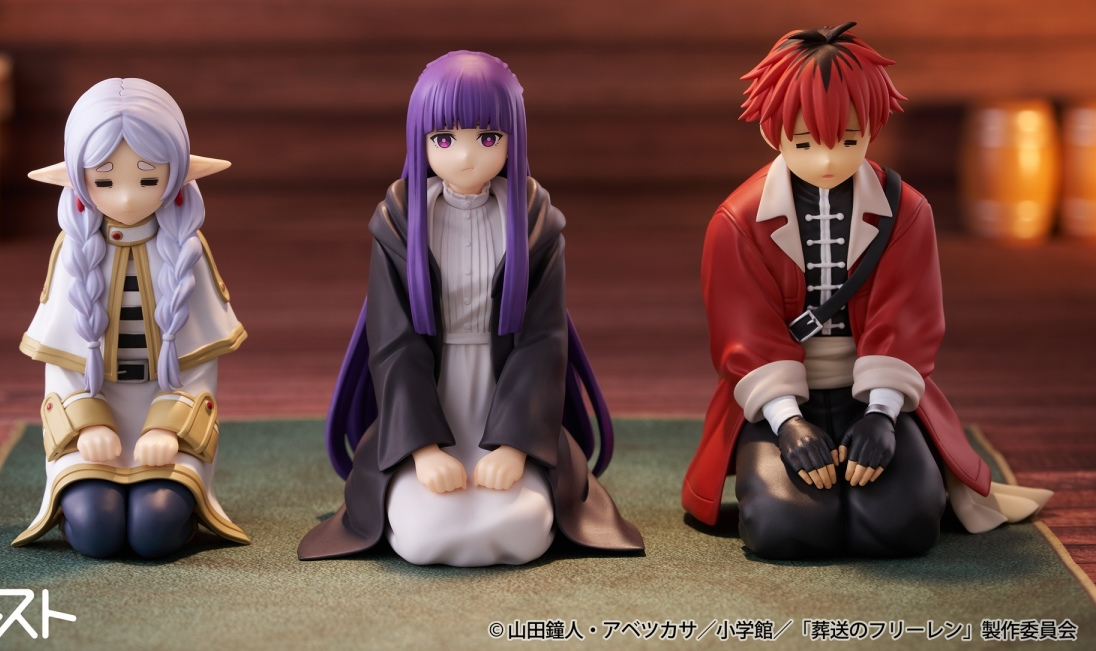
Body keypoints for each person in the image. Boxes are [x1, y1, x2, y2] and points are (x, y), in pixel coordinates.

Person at [681, 23, 1051, 559]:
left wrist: (881, 413)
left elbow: (907, 321)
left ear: (872, 130)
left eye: (849, 140)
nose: (828, 160)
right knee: (787, 529)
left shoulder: (907, 211)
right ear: (770, 132)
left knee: (903, 525)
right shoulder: (737, 220)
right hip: (782, 396)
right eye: (805, 143)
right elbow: (744, 336)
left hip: (872, 389)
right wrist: (787, 422)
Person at [298, 51, 643, 566]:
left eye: (487, 138)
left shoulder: (535, 224)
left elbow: (543, 341)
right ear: (420, 141)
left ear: (512, 139)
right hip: (428, 403)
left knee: (521, 528)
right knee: (425, 534)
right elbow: (393, 344)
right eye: (444, 139)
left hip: (507, 401)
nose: (465, 156)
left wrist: (514, 447)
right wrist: (423, 451)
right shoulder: (398, 225)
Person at [14, 78, 249, 558]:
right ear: (79, 177)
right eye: (104, 181)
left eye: (146, 180)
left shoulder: (186, 251)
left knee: (154, 529)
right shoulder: (74, 252)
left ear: (175, 172)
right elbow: (61, 364)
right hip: (90, 433)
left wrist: (167, 427)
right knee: (96, 530)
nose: (125, 199)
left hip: (167, 433)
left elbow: (199, 365)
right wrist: (86, 425)